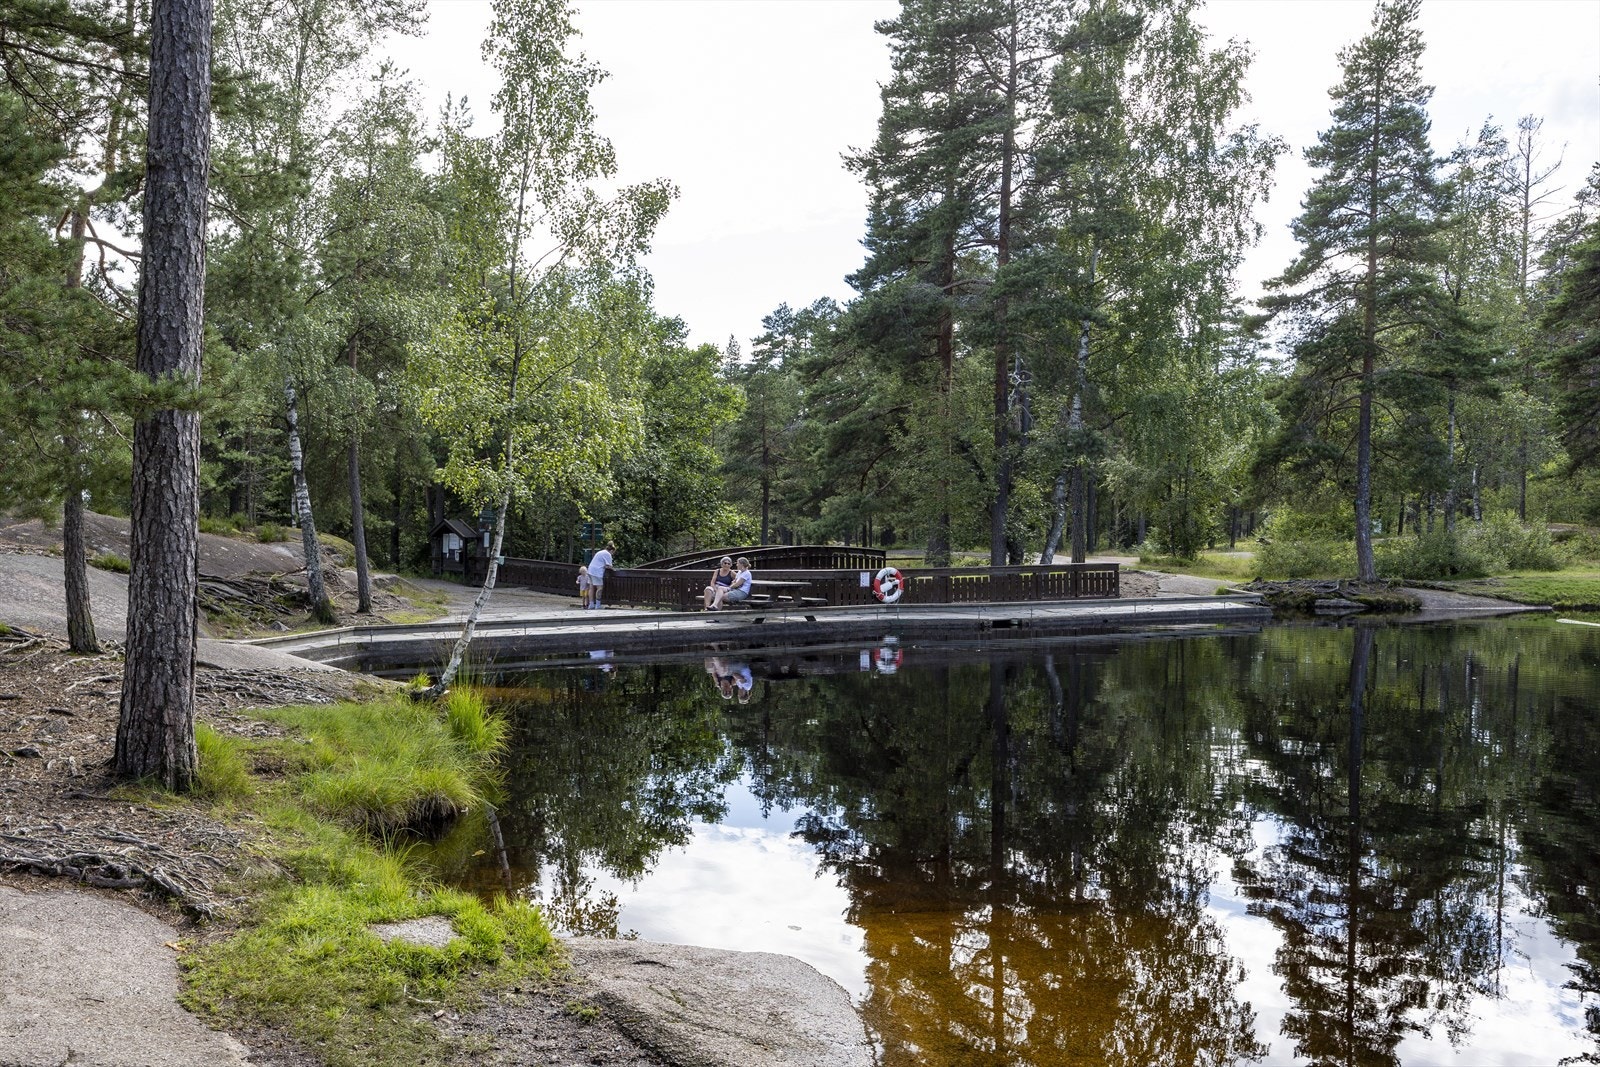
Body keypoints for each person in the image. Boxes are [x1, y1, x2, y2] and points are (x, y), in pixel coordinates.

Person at [587, 541, 616, 609]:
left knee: (591, 587)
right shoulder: (608, 554)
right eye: (613, 553)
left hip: (590, 569)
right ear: (612, 550)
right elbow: (609, 566)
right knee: (599, 588)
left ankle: (591, 604)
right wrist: (613, 569)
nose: (612, 554)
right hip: (597, 572)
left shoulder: (601, 552)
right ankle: (598, 605)